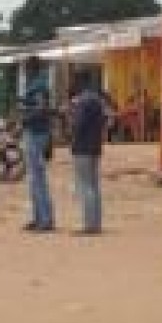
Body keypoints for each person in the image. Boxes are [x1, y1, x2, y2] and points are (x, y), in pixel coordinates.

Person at [69, 70, 107, 235]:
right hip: (95, 146)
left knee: (86, 186)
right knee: (94, 185)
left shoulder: (83, 102)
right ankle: (96, 222)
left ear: (80, 84)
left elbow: (78, 124)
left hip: (82, 147)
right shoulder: (98, 100)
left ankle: (89, 225)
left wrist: (70, 118)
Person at [20, 55, 54, 232]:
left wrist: (25, 115)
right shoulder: (37, 84)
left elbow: (42, 109)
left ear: (31, 68)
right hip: (34, 132)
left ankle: (46, 220)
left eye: (26, 68)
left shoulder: (39, 85)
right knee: (34, 179)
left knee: (38, 179)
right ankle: (38, 217)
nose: (24, 72)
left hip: (36, 134)